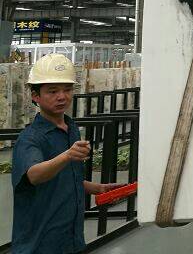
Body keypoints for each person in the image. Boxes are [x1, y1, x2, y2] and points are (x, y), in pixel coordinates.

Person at [11, 54, 122, 253]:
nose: (62, 96)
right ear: (35, 96)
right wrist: (68, 155)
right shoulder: (30, 138)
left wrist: (96, 188)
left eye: (67, 89)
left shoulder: (71, 129)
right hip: (40, 244)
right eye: (53, 91)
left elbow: (65, 177)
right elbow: (34, 175)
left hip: (70, 239)